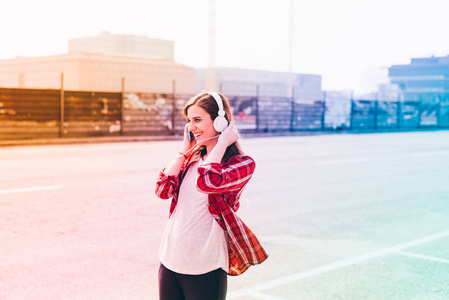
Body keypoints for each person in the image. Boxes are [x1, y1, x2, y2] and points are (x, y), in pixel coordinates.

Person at [155, 92, 268, 300]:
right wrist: (184, 150)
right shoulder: (190, 160)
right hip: (170, 260)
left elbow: (208, 182)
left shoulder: (242, 164)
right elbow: (162, 190)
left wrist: (222, 144)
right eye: (189, 121)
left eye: (198, 120)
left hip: (205, 267)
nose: (191, 127)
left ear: (220, 121)